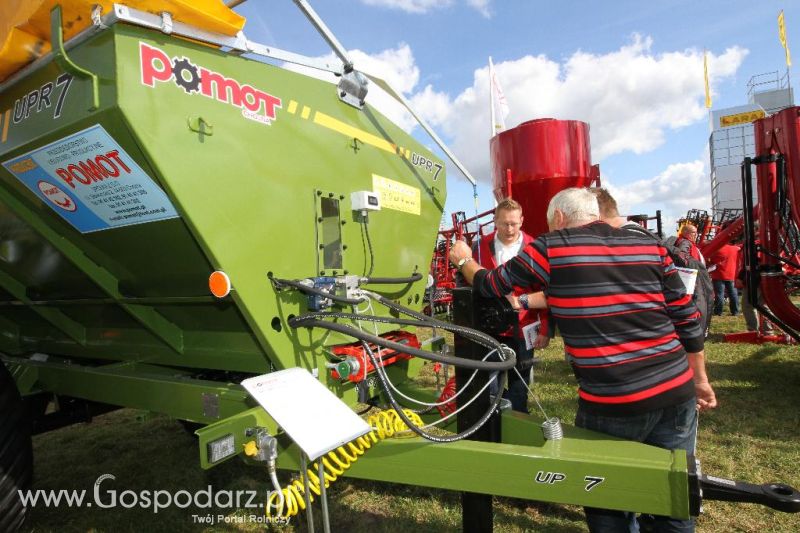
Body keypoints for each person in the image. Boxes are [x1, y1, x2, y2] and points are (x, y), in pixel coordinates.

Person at [450, 187, 716, 533]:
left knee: (608, 499)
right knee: (671, 495)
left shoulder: (552, 247)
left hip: (612, 400)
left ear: (559, 218)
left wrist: (462, 258)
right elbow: (686, 318)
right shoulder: (650, 245)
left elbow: (493, 284)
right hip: (676, 391)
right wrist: (700, 379)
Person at [472, 198, 549, 413]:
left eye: (514, 223)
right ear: (495, 221)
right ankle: (492, 422)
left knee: (519, 384)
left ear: (522, 221)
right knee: (489, 382)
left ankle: (518, 424)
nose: (509, 229)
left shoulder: (534, 248)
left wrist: (545, 329)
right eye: (504, 223)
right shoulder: (480, 246)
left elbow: (546, 291)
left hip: (523, 329)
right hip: (490, 327)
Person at [709, 242, 740, 317]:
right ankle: (735, 311)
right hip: (731, 274)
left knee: (719, 294)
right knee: (733, 294)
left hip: (718, 274)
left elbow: (711, 261)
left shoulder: (717, 249)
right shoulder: (736, 249)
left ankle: (718, 311)